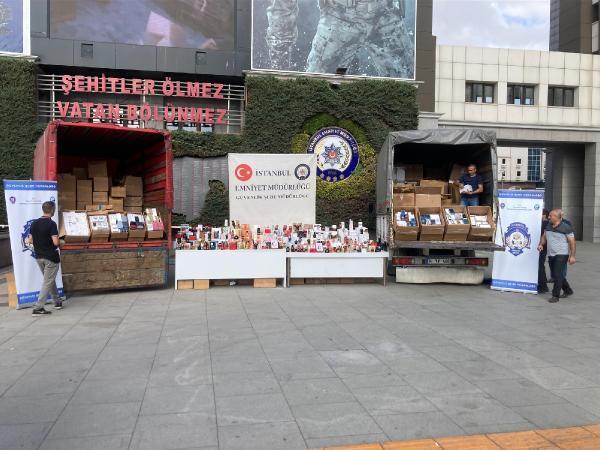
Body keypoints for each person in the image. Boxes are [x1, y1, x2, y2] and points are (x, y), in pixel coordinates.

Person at [265, 0, 414, 78]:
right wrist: (279, 53)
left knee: (407, 84)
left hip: (386, 15)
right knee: (315, 87)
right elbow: (282, 4)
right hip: (338, 18)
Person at [28, 201, 64, 315]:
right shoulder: (51, 224)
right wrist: (62, 242)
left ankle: (57, 301)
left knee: (49, 280)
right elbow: (55, 242)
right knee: (47, 281)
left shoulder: (34, 223)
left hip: (39, 257)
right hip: (51, 257)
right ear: (52, 209)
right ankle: (38, 308)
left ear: (43, 209)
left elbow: (30, 240)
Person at [537, 209, 576, 303]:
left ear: (558, 217)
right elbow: (544, 236)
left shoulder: (566, 227)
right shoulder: (548, 225)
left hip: (562, 254)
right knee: (556, 274)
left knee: (557, 275)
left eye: (551, 216)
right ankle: (568, 290)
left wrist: (572, 256)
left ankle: (555, 296)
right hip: (551, 254)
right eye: (549, 215)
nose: (549, 217)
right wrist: (541, 244)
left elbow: (572, 242)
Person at [537, 209, 549, 293]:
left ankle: (543, 286)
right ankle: (543, 283)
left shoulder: (545, 223)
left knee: (540, 265)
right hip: (542, 246)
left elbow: (544, 236)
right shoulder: (544, 223)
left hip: (541, 247)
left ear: (544, 215)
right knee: (540, 265)